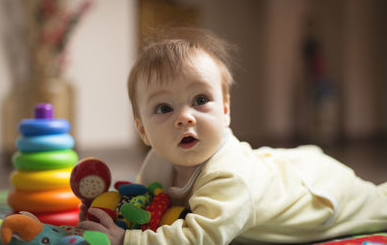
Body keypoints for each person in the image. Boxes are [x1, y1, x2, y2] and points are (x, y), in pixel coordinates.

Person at [78, 27, 387, 245]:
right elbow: (145, 202)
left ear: (225, 110)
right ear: (143, 130)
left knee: (380, 203)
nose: (185, 116)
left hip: (320, 196)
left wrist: (127, 240)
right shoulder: (159, 159)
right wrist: (106, 212)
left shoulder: (228, 178)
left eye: (200, 100)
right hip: (275, 168)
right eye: (164, 107)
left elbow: (201, 238)